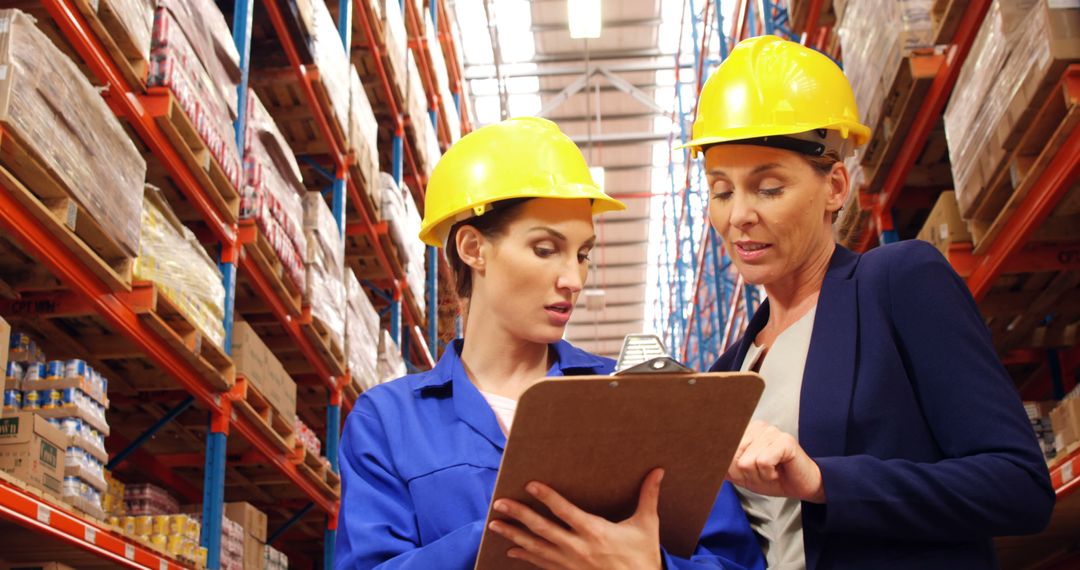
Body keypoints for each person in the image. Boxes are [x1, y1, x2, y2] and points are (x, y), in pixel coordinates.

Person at [680, 35, 1055, 569]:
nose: (738, 215)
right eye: (721, 191)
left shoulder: (898, 284)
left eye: (767, 188)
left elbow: (1017, 485)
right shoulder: (726, 373)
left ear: (835, 187)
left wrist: (824, 480)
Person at [335, 117, 765, 569]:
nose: (573, 279)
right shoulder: (387, 422)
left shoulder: (647, 400)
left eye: (583, 255)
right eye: (545, 249)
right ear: (472, 248)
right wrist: (511, 533)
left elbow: (738, 563)